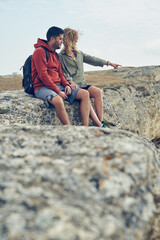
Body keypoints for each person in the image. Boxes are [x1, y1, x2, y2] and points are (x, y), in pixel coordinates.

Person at [31, 26, 94, 126]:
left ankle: (85, 129)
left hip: (58, 85)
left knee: (85, 94)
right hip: (42, 87)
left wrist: (66, 85)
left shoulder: (55, 55)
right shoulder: (39, 52)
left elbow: (60, 74)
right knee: (58, 100)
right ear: (52, 39)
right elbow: (43, 75)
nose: (62, 41)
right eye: (60, 39)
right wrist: (58, 92)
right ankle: (69, 129)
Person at [59, 28, 121, 127]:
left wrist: (109, 63)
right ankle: (96, 126)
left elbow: (93, 60)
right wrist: (70, 81)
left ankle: (100, 122)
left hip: (83, 84)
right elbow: (63, 72)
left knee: (97, 92)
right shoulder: (61, 56)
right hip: (74, 87)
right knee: (86, 95)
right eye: (75, 38)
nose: (77, 41)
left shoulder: (79, 53)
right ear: (69, 39)